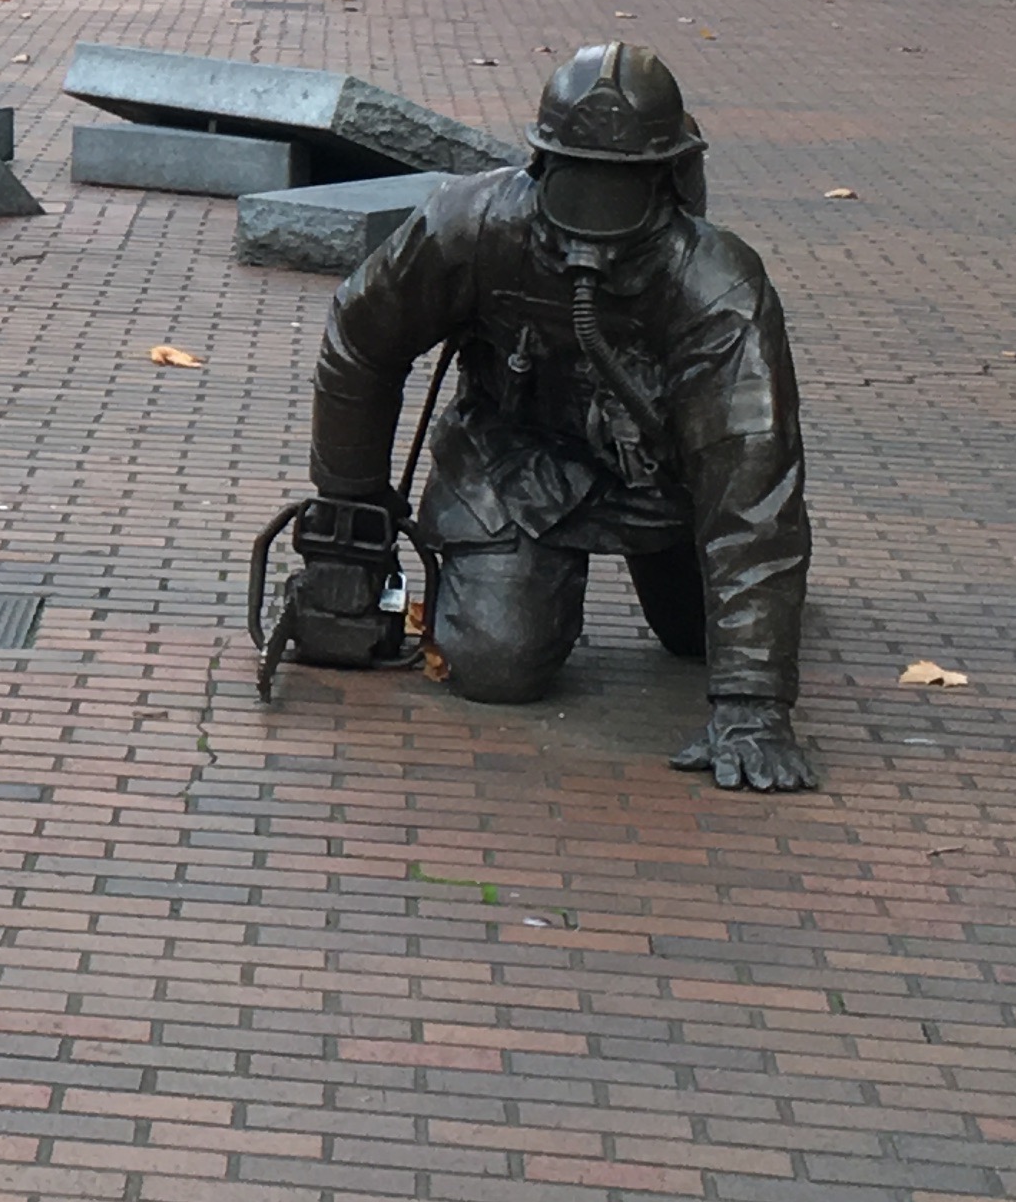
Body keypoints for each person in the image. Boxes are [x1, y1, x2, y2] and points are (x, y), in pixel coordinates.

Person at [275, 41, 816, 791]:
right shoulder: (470, 225)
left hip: (666, 488)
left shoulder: (718, 288)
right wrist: (348, 522)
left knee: (702, 638)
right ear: (539, 170)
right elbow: (360, 344)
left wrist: (753, 701)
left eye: (618, 191)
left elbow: (753, 486)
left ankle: (739, 608)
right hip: (512, 472)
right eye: (577, 186)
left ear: (670, 183)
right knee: (494, 664)